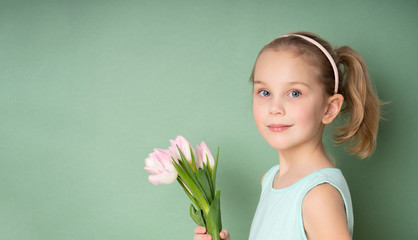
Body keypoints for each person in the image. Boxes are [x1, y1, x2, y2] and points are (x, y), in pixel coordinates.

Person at [193, 31, 381, 240]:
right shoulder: (271, 179)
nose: (275, 108)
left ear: (329, 108)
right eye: (264, 92)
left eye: (294, 93)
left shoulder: (318, 196)